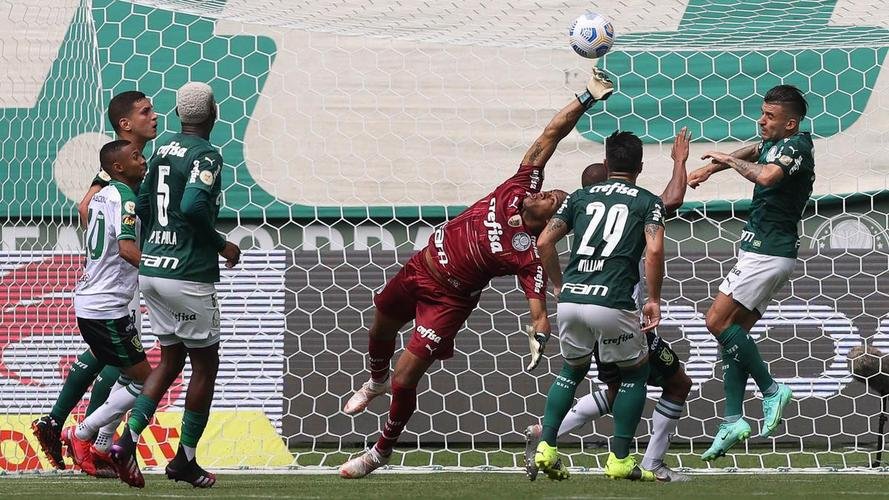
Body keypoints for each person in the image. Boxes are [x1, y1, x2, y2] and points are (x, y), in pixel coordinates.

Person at [337, 68, 615, 479]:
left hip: (448, 300)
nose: (543, 192)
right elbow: (549, 136)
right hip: (419, 268)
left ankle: (380, 452)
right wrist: (587, 98)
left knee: (406, 377)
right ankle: (373, 381)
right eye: (549, 189)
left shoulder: (527, 255)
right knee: (380, 328)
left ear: (552, 220)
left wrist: (539, 334)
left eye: (551, 198)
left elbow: (538, 308)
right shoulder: (519, 186)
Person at [525, 129, 694, 483]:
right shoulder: (645, 201)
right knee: (641, 377)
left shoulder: (580, 199)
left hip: (572, 300)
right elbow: (655, 249)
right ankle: (622, 459)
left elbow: (543, 241)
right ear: (640, 166)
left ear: (606, 162)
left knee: (572, 372)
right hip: (615, 304)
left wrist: (559, 285)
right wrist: (654, 299)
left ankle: (546, 442)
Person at [109, 82, 241, 489]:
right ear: (213, 113)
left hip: (153, 270)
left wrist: (157, 245)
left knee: (169, 360)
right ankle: (184, 460)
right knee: (205, 364)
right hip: (187, 273)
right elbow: (193, 204)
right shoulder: (206, 154)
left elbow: (145, 201)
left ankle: (125, 441)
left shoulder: (162, 149)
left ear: (181, 114)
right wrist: (221, 244)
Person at [31, 91, 157, 472]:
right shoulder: (117, 168)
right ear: (125, 125)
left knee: (109, 356)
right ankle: (90, 437)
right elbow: (85, 206)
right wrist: (110, 253)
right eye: (145, 112)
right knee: (128, 365)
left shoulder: (136, 163)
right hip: (123, 272)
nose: (154, 117)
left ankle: (62, 425)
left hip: (121, 274)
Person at [687, 85, 813, 461]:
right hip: (765, 252)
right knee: (734, 335)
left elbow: (766, 176)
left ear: (790, 123)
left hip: (766, 252)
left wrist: (724, 159)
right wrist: (712, 168)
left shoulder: (796, 146)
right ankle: (732, 419)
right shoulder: (776, 142)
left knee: (715, 321)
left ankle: (772, 389)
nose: (761, 120)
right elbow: (755, 150)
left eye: (770, 117)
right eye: (762, 113)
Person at [60, 140, 153, 477]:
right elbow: (128, 250)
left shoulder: (100, 195)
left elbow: (86, 215)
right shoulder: (125, 199)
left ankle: (97, 443)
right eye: (136, 157)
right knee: (147, 382)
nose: (142, 161)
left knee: (131, 378)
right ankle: (82, 434)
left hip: (92, 302)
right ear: (118, 167)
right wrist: (163, 267)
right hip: (107, 307)